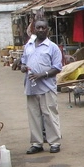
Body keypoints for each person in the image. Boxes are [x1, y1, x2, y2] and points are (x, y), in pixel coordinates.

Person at [13, 20, 63, 154]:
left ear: (48, 30)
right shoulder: (28, 46)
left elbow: (57, 68)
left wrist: (42, 75)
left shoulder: (52, 47)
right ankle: (37, 143)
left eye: (43, 28)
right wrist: (23, 67)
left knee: (49, 114)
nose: (41, 30)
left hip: (47, 87)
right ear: (34, 29)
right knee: (34, 115)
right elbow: (23, 63)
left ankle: (54, 142)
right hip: (31, 87)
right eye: (38, 28)